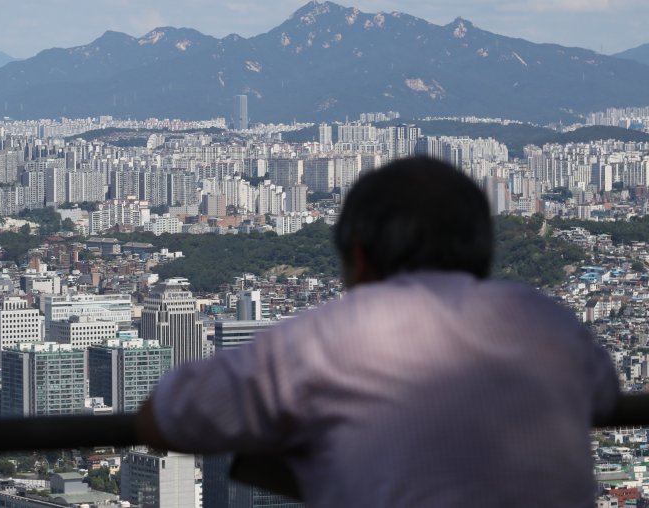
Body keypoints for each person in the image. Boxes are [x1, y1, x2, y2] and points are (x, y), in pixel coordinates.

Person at [135, 156, 619, 507]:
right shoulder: (547, 322)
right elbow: (602, 396)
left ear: (359, 255)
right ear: (484, 251)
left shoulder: (324, 340)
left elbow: (168, 417)